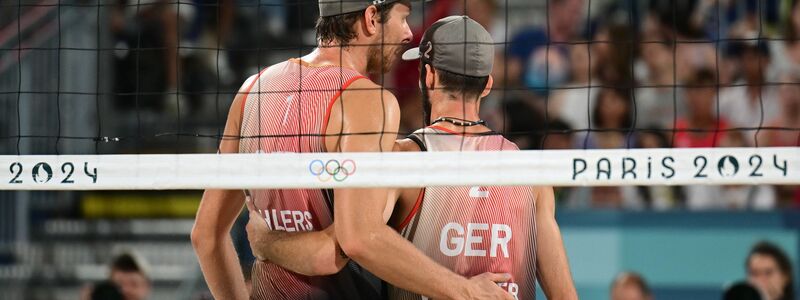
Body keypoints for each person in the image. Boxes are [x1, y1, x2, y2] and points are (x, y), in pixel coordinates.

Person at [192, 1, 511, 299]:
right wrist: (466, 291)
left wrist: (265, 244)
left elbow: (206, 237)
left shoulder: (253, 89)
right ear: (371, 18)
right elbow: (358, 240)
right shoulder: (368, 101)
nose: (408, 33)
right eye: (402, 17)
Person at [247, 16, 577, 300]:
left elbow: (333, 252)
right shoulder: (531, 174)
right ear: (487, 85)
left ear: (429, 76)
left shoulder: (402, 161)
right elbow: (564, 296)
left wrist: (266, 242)